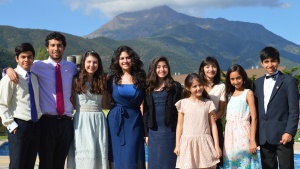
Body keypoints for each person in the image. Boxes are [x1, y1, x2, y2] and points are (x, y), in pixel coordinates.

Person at [5, 32, 78, 169]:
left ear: (64, 47)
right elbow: (20, 68)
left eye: (59, 45)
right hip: (46, 122)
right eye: (52, 45)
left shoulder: (72, 68)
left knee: (60, 162)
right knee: (46, 163)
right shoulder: (37, 65)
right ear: (47, 48)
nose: (56, 48)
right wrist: (7, 70)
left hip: (66, 122)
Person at [253, 46, 299, 169]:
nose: (270, 64)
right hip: (264, 137)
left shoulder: (289, 81)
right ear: (262, 63)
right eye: (266, 61)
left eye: (273, 61)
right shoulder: (257, 83)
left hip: (283, 137)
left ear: (278, 61)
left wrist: (289, 132)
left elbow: (294, 110)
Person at [0, 42, 42, 169]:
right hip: (19, 126)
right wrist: (11, 125)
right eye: (23, 57)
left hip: (35, 126)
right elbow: (2, 103)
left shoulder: (34, 77)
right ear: (16, 58)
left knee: (29, 165)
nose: (26, 60)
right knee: (17, 165)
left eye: (29, 57)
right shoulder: (10, 78)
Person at [67, 51, 110, 169]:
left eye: (95, 62)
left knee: (98, 152)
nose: (92, 65)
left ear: (99, 64)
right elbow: (72, 101)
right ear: (83, 63)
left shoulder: (103, 80)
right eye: (89, 62)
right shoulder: (75, 80)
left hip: (98, 120)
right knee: (81, 152)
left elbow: (106, 103)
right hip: (81, 120)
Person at [107, 46, 146, 169]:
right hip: (116, 121)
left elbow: (146, 103)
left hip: (134, 121)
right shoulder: (111, 79)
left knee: (132, 154)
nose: (125, 61)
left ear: (133, 59)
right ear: (117, 61)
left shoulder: (141, 78)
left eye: (128, 58)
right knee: (117, 155)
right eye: (122, 58)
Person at [174, 73, 221, 168]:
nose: (198, 88)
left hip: (205, 143)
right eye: (194, 86)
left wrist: (216, 145)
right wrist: (177, 145)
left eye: (200, 85)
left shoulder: (208, 103)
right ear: (188, 88)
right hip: (187, 143)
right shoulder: (183, 103)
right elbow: (179, 125)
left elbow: (213, 125)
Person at [143, 56, 182, 169]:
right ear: (153, 69)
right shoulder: (148, 88)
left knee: (170, 162)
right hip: (153, 131)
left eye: (165, 66)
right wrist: (146, 133)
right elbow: (146, 111)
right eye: (158, 67)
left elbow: (180, 111)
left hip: (170, 132)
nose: (162, 69)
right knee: (155, 163)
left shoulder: (175, 87)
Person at [223, 64, 260, 168]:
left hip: (243, 133)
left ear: (243, 77)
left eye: (238, 78)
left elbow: (254, 118)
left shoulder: (248, 93)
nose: (236, 81)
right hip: (229, 136)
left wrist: (252, 140)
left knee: (245, 163)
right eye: (232, 79)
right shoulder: (229, 95)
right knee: (231, 163)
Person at [198, 56, 226, 168]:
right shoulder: (198, 85)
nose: (211, 69)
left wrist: (214, 119)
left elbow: (222, 109)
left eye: (214, 66)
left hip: (215, 125)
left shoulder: (221, 86)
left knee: (216, 158)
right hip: (199, 127)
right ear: (202, 69)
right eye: (207, 66)